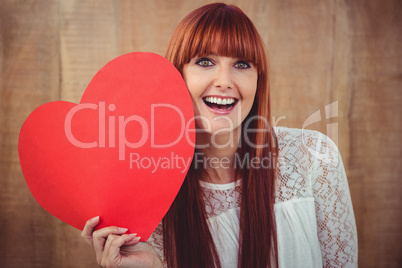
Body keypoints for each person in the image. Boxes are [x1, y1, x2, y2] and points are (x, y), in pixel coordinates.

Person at [81, 3, 358, 268]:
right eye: (204, 61)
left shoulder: (314, 158)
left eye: (242, 64)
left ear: (259, 80)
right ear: (177, 75)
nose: (224, 81)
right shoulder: (150, 198)